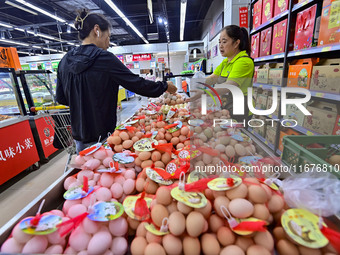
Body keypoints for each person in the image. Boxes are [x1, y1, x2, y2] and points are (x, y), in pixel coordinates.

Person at [56, 10, 177, 154]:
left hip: (79, 136)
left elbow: (61, 98)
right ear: (97, 30)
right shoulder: (104, 59)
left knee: (86, 172)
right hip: (102, 135)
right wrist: (164, 86)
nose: (108, 44)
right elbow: (136, 83)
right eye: (108, 37)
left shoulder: (64, 61)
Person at [189, 25, 254, 122]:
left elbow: (229, 86)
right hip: (226, 107)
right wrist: (197, 84)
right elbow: (212, 78)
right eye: (219, 42)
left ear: (236, 43)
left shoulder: (244, 62)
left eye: (224, 42)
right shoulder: (225, 62)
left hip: (240, 110)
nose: (220, 46)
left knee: (236, 135)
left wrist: (204, 93)